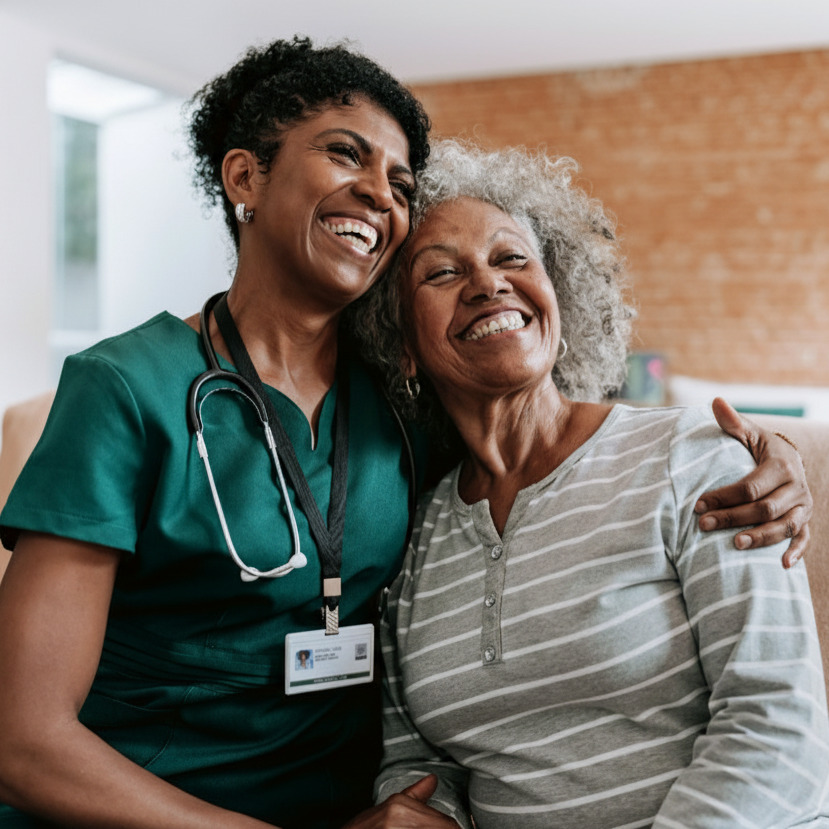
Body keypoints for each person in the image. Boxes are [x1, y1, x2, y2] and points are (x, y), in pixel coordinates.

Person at [0, 37, 813, 829]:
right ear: (245, 175)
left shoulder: (402, 411)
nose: (379, 195)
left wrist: (776, 457)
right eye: (345, 155)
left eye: (397, 180)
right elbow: (23, 738)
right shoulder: (126, 388)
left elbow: (545, 445)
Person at [354, 140, 829, 827]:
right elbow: (418, 755)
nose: (487, 283)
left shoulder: (691, 457)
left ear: (559, 296)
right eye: (441, 273)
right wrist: (428, 811)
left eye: (511, 257)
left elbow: (778, 726)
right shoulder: (416, 529)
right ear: (401, 344)